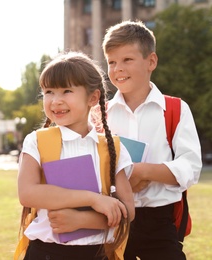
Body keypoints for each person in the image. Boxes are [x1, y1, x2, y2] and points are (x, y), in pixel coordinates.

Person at [17, 51, 135, 260]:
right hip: (45, 252)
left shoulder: (113, 147)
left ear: (93, 97)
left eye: (66, 91)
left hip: (97, 254)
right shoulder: (36, 141)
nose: (56, 101)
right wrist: (93, 199)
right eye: (49, 92)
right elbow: (27, 193)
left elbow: (128, 211)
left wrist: (83, 220)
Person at [101, 20, 202, 259]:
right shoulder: (100, 114)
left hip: (160, 222)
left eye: (127, 60)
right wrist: (123, 184)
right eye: (111, 62)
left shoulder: (175, 109)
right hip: (113, 220)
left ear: (151, 62)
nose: (118, 69)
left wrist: (143, 171)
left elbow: (191, 167)